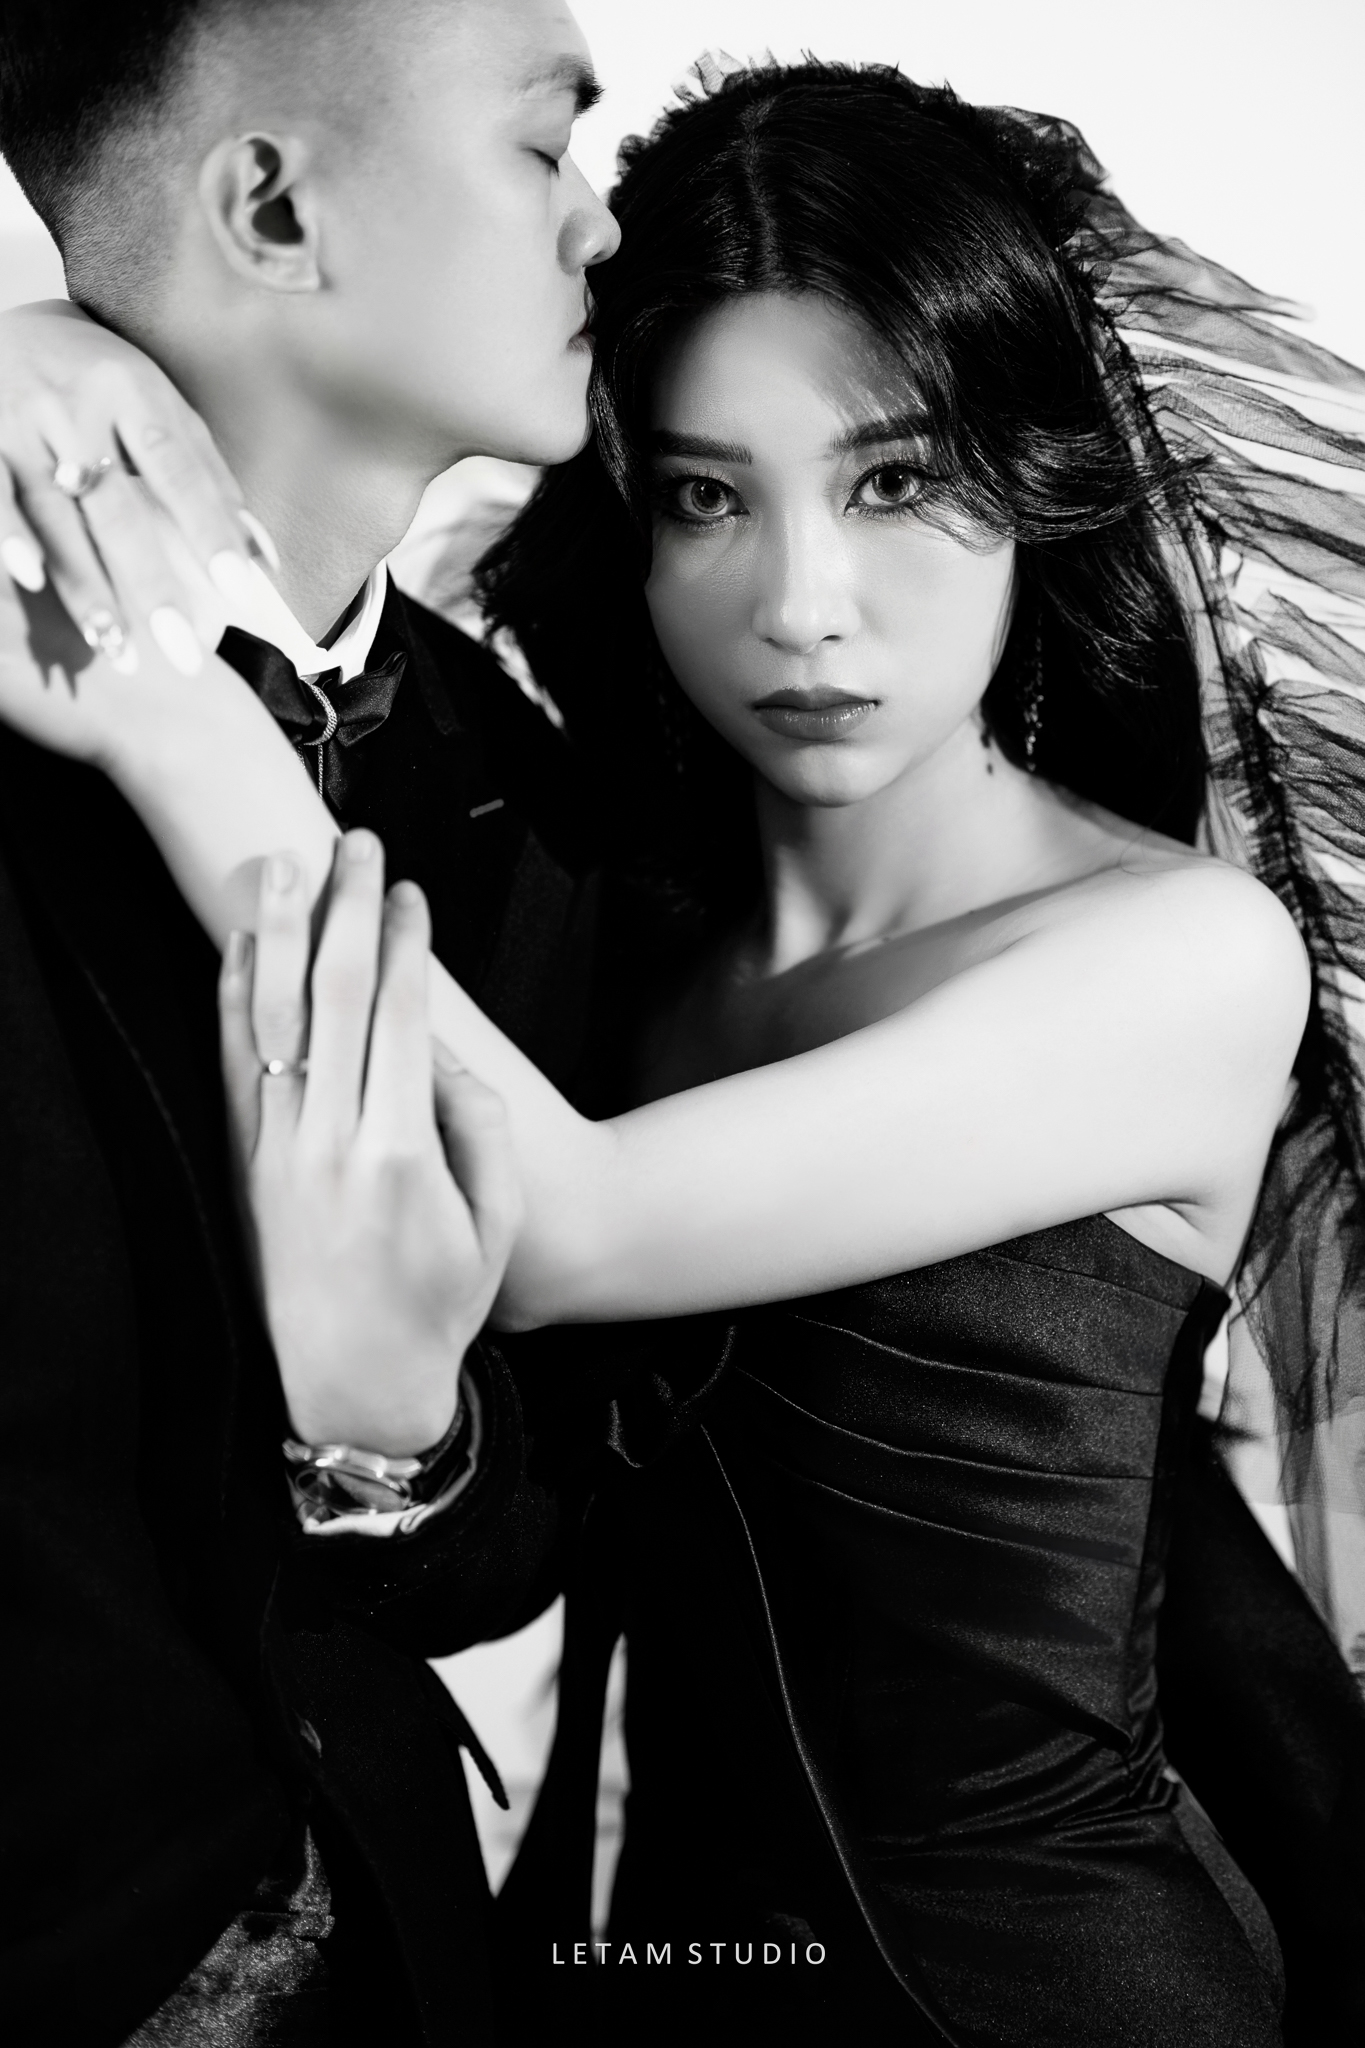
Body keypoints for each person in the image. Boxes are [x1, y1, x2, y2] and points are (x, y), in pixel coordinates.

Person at [5, 52, 1365, 2044]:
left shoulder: (1177, 960)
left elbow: (556, 1224)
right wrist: (41, 349)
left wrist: (163, 715)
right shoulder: (609, 923)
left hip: (1046, 1992)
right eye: (706, 497)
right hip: (661, 1970)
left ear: (1033, 483)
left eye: (894, 481)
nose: (804, 607)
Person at [0, 2, 621, 2042]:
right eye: (543, 148)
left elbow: (533, 1514)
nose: (601, 224)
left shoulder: (524, 783)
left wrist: (398, 1438)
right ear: (272, 205)